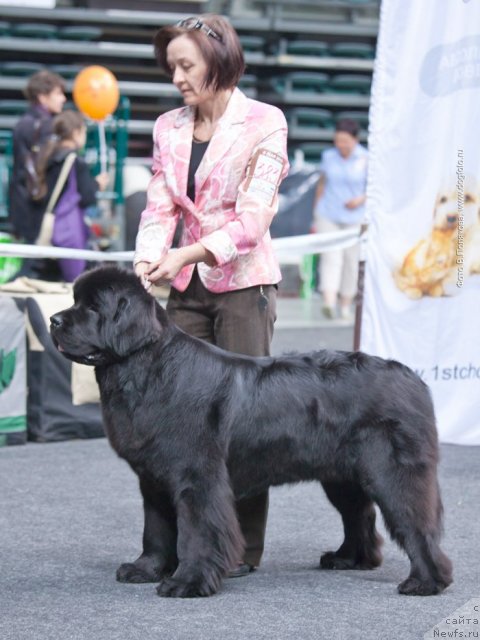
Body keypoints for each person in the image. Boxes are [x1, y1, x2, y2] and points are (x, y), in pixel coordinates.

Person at [134, 14, 289, 578]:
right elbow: (159, 206)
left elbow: (253, 220)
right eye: (170, 66)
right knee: (171, 421)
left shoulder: (265, 122)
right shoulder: (167, 127)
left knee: (247, 423)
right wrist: (148, 257)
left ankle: (240, 550)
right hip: (182, 287)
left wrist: (187, 254)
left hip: (245, 285)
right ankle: (168, 550)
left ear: (218, 61)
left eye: (186, 65)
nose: (175, 77)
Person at [35, 109, 109, 281]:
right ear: (76, 132)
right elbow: (87, 197)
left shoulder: (48, 156)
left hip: (47, 225)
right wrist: (97, 184)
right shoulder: (76, 161)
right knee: (74, 281)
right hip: (69, 229)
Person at [312, 118, 368, 320]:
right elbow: (322, 185)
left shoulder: (366, 158)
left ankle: (345, 304)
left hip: (355, 217)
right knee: (331, 257)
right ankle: (329, 301)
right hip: (328, 213)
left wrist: (361, 200)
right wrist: (316, 210)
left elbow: (374, 188)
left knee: (351, 261)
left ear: (355, 139)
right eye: (338, 140)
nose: (341, 145)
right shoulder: (328, 156)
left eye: (345, 140)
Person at [8, 70, 67, 246]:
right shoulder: (46, 126)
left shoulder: (23, 122)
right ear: (42, 97)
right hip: (37, 205)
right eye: (58, 93)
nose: (63, 98)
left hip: (20, 201)